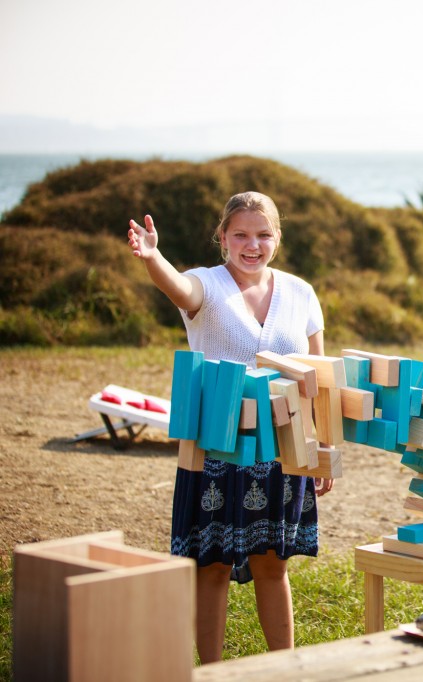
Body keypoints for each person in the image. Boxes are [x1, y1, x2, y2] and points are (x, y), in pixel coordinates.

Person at [127, 191, 334, 663]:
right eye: (240, 234)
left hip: (281, 450)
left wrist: (320, 446)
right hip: (215, 449)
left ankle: (286, 668)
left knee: (272, 564)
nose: (252, 244)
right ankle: (213, 672)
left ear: (278, 238)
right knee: (213, 566)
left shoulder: (301, 293)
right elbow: (178, 289)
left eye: (263, 234)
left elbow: (318, 375)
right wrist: (154, 256)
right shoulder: (206, 284)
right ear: (222, 237)